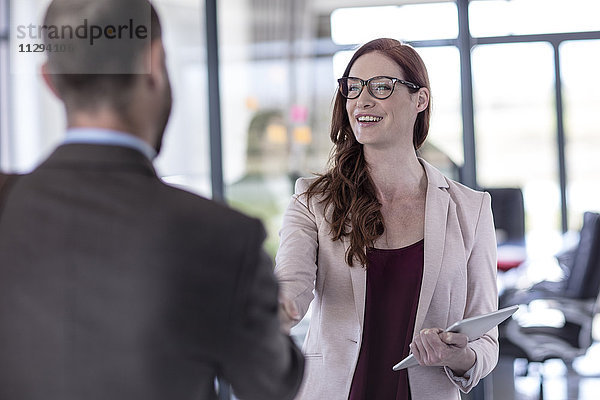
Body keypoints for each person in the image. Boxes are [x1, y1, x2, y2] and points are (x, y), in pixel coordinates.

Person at [0, 1, 303, 399]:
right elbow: (272, 384)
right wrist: (265, 317)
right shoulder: (223, 238)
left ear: (50, 81)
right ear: (155, 62)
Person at [275, 38, 498, 400]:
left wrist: (459, 356)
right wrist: (270, 310)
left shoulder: (470, 209)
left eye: (381, 87)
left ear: (419, 99)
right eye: (353, 87)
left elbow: (486, 339)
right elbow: (291, 286)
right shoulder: (313, 201)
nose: (362, 100)